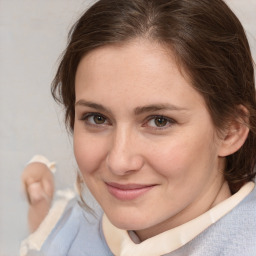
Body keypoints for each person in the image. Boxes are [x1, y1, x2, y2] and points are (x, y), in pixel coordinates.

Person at [20, 0, 256, 255]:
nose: (119, 162)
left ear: (231, 130)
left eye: (159, 121)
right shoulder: (63, 234)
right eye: (97, 118)